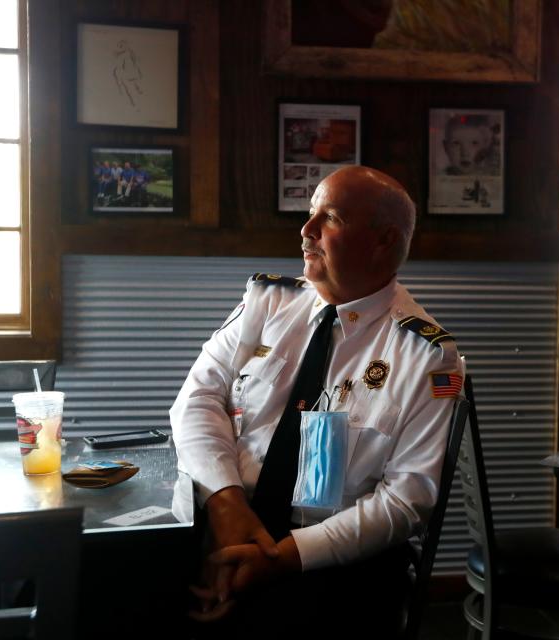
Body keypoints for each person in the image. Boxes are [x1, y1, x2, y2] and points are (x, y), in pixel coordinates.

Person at [170, 165, 465, 639]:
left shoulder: (428, 356)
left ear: (383, 240)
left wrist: (279, 559)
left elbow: (409, 499)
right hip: (221, 521)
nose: (306, 230)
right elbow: (196, 400)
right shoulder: (267, 302)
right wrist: (226, 506)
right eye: (311, 214)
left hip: (330, 563)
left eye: (330, 218)